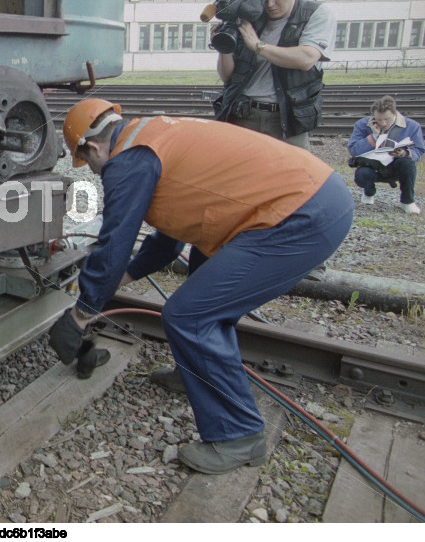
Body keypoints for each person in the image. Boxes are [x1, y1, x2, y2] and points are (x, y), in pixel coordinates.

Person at [50, 98, 353, 474]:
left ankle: (239, 435)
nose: (96, 173)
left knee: (190, 315)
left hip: (300, 214)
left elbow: (115, 243)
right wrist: (112, 285)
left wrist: (81, 314)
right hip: (314, 195)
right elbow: (165, 244)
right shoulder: (151, 135)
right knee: (202, 274)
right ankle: (195, 371)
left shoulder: (126, 161)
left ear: (92, 147)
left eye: (89, 165)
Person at [214, 0, 336, 150]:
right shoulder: (253, 15)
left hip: (287, 119)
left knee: (293, 177)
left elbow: (306, 59)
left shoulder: (316, 14)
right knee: (240, 178)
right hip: (244, 114)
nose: (270, 4)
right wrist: (224, 47)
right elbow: (226, 76)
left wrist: (258, 46)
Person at [347, 95, 424, 214]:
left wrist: (405, 153)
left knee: (408, 164)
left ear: (395, 114)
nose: (383, 123)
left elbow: (419, 150)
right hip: (372, 166)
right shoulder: (362, 124)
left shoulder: (412, 126)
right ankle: (369, 191)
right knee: (361, 175)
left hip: (397, 166)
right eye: (379, 119)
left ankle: (407, 201)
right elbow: (353, 150)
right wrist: (373, 136)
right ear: (373, 117)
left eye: (387, 119)